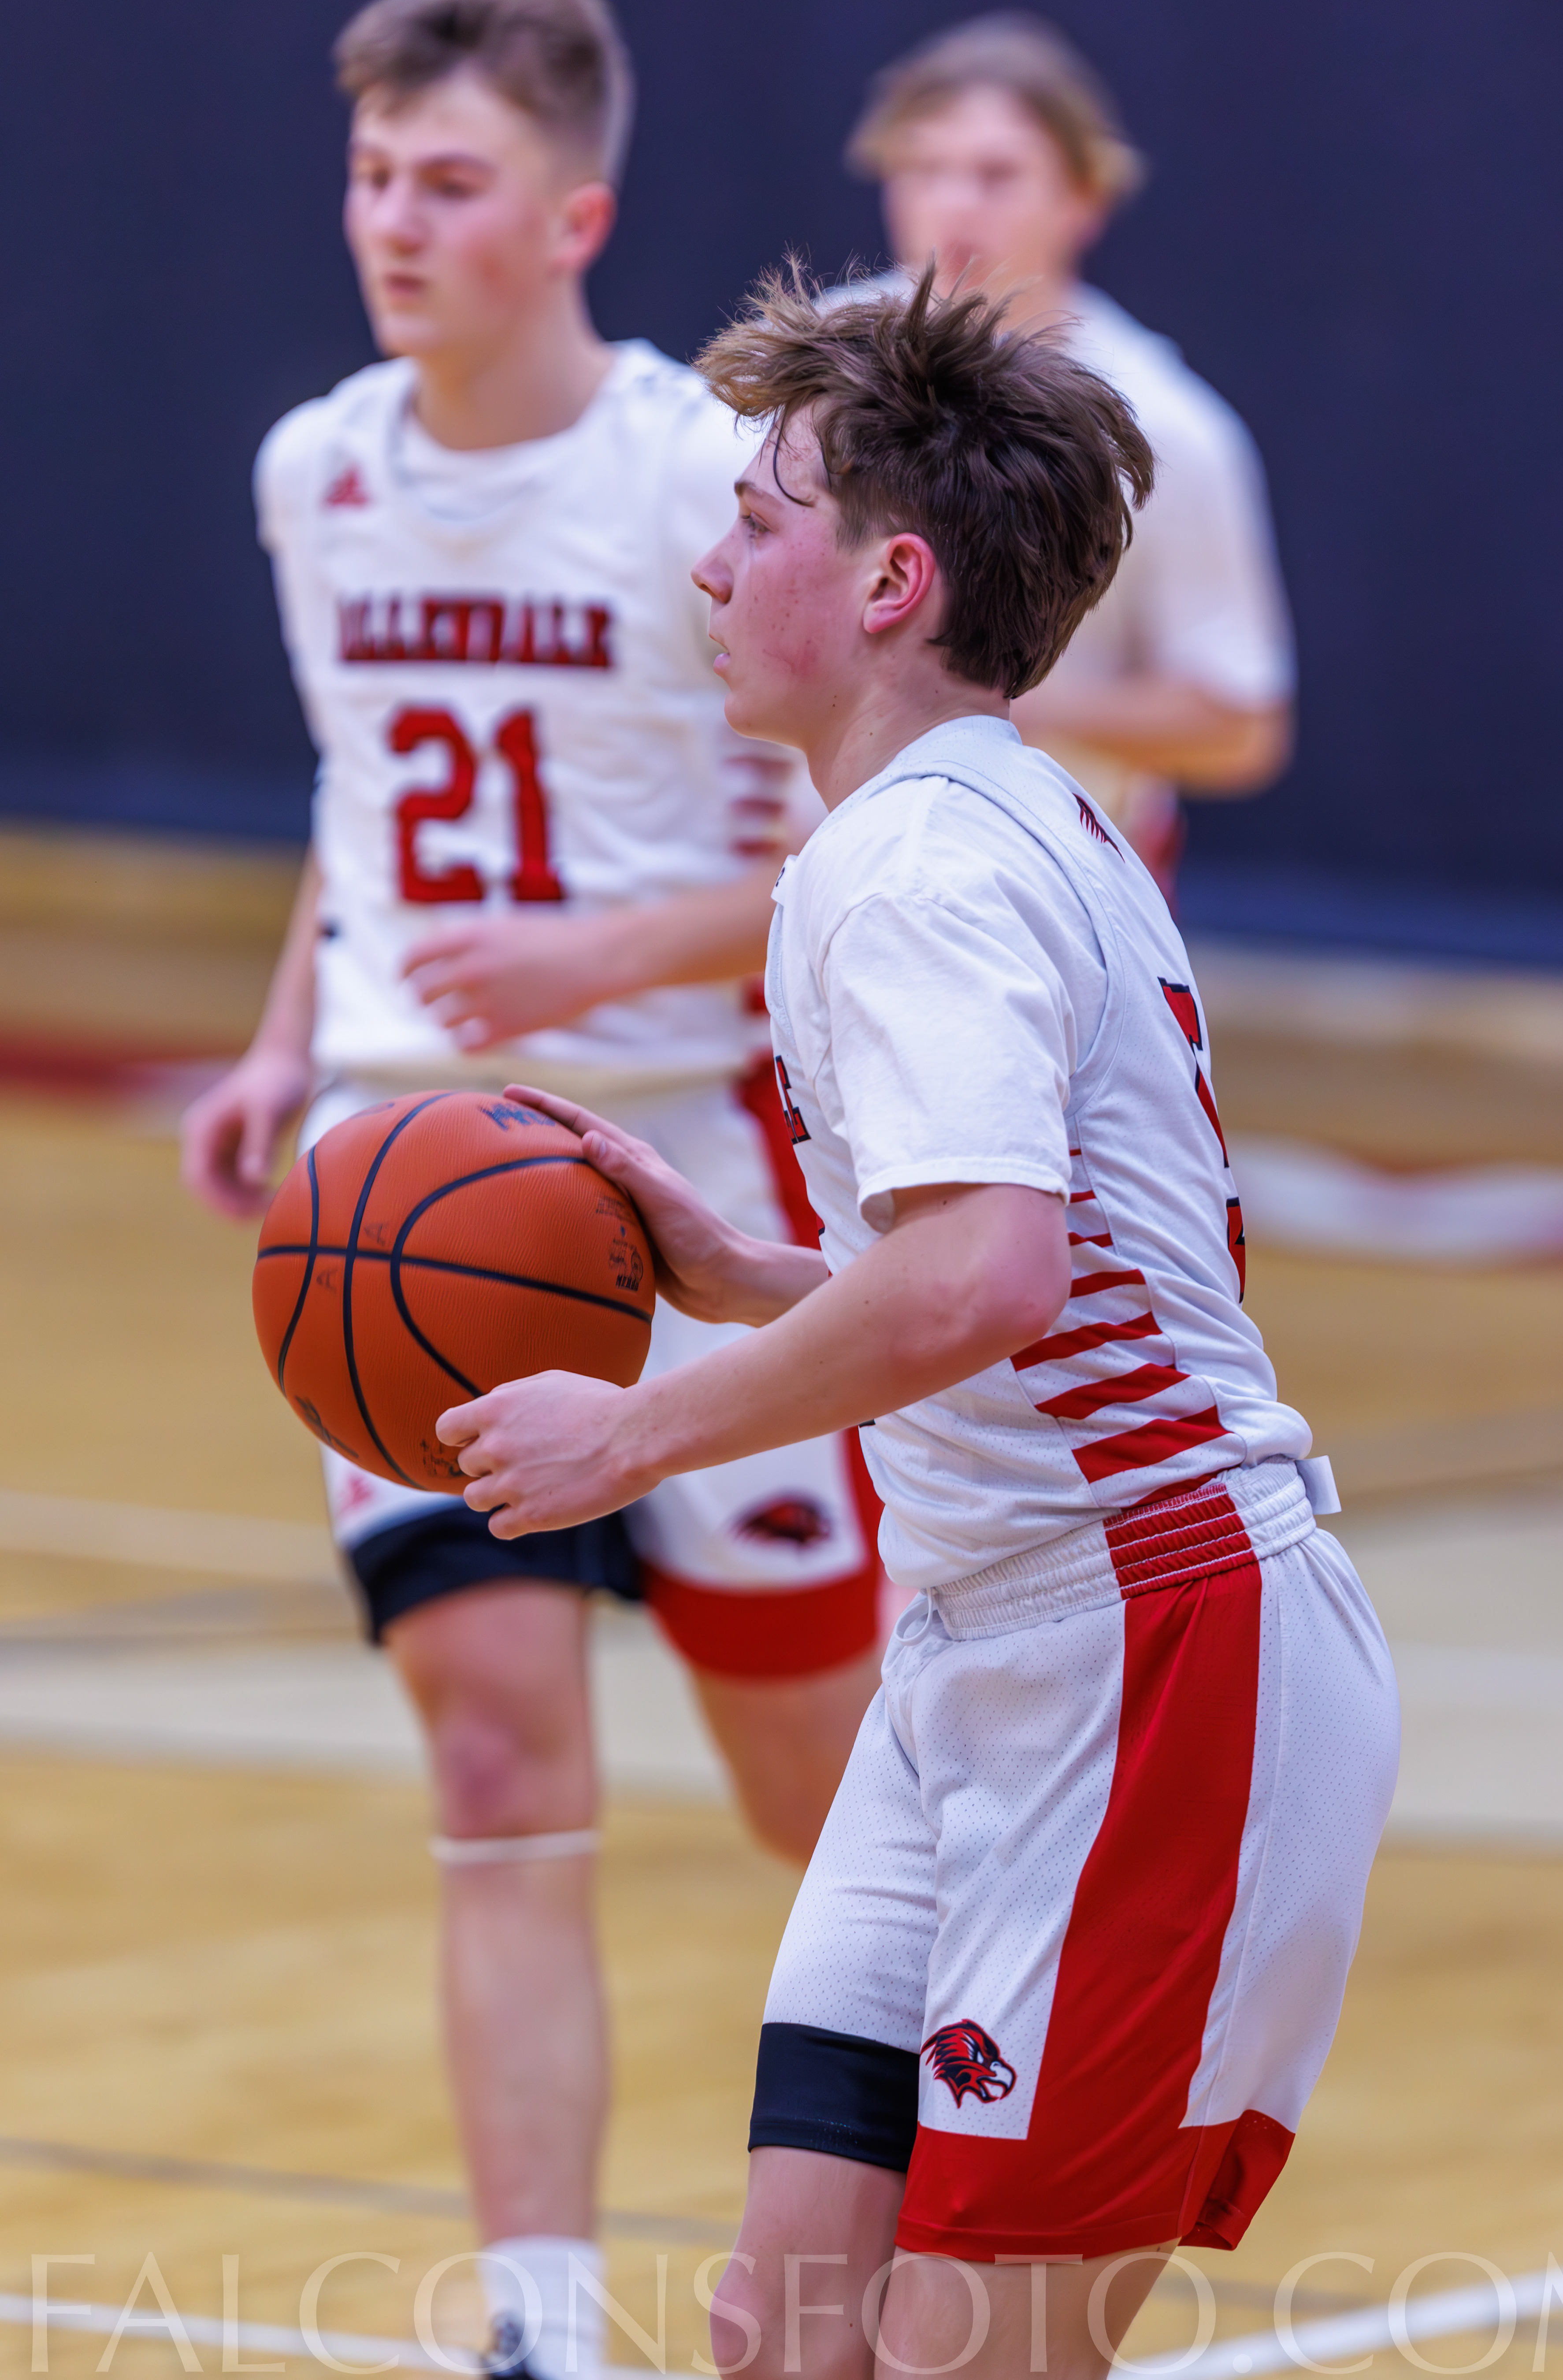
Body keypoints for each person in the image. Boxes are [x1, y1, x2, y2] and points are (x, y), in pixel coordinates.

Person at [438, 273, 1400, 2379]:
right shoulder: (962, 818)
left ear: (890, 580)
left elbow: (985, 1279)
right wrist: (755, 1271)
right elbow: (1023, 1283)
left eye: (758, 518)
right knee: (785, 2333)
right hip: (982, 1643)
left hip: (1152, 1651)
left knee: (972, 2359)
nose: (710, 563)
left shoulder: (917, 871)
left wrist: (636, 1430)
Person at [179, 0, 882, 2380]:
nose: (393, 218)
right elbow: (355, 784)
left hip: (678, 1162)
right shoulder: (317, 466)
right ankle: (542, 2329)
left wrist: (603, 948)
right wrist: (286, 1034)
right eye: (372, 173)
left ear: (574, 216)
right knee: (494, 1748)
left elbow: (857, 837)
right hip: (398, 1172)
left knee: (825, 1794)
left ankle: (926, 2212)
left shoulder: (705, 477)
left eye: (449, 181)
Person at [844, 13, 1295, 897]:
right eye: (923, 168)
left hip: (1047, 891)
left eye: (996, 174)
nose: (955, 202)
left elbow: (1242, 727)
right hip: (821, 877)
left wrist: (979, 695)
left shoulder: (1165, 427)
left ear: (1083, 198)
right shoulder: (815, 368)